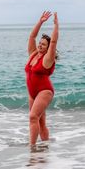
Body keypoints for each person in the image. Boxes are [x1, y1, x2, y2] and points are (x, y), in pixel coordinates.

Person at [25, 11, 59, 146]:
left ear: (48, 48)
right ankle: (45, 146)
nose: (40, 45)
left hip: (44, 91)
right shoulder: (33, 54)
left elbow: (54, 41)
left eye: (43, 44)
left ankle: (32, 147)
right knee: (40, 120)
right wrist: (40, 22)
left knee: (33, 117)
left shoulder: (48, 59)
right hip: (32, 93)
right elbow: (32, 36)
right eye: (40, 43)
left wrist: (56, 25)